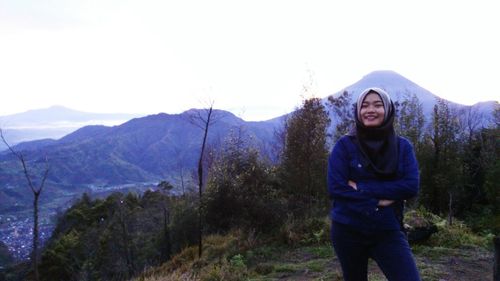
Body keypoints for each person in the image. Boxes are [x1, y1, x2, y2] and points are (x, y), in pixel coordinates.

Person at [327, 87, 421, 281]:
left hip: (387, 229)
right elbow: (336, 188)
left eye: (378, 105)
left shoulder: (402, 147)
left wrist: (363, 188)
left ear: (387, 110)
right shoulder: (344, 146)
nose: (370, 110)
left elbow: (411, 186)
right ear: (358, 111)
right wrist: (379, 200)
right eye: (365, 105)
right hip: (347, 229)